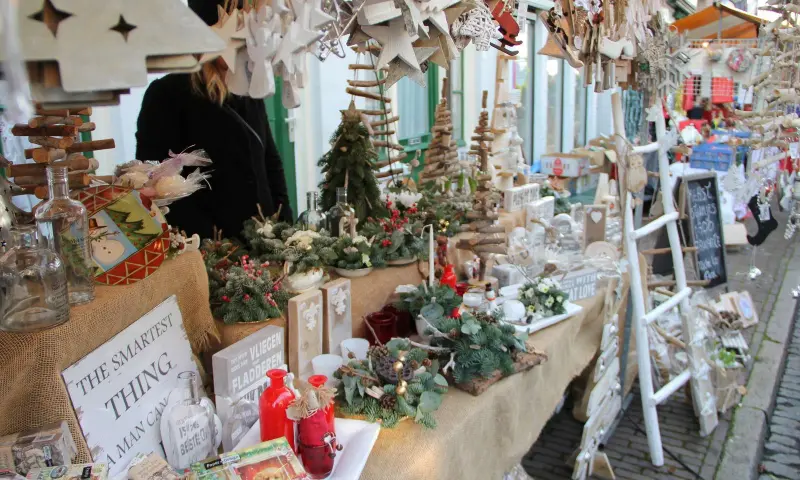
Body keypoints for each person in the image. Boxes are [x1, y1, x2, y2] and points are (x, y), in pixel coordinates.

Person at [135, 0, 293, 240]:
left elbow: (270, 162)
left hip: (265, 238)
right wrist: (212, 242)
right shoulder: (168, 94)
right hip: (213, 246)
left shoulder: (247, 88)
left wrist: (284, 224)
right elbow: (157, 183)